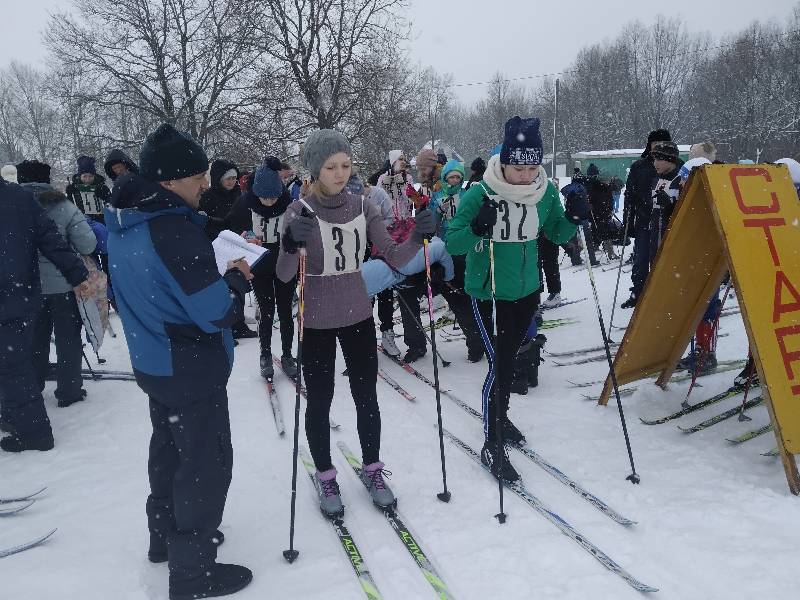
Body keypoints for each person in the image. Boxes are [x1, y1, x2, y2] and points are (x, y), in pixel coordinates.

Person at [105, 123, 253, 600]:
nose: (204, 185)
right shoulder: (170, 230)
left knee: (169, 449)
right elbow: (217, 314)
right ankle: (193, 574)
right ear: (168, 182)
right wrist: (237, 281)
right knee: (204, 464)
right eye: (197, 177)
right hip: (189, 364)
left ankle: (165, 537)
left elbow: (154, 285)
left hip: (155, 360)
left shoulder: (129, 219)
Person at [276, 129, 436, 517]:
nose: (340, 173)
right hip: (315, 319)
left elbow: (395, 256)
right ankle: (326, 474)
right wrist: (286, 245)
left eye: (345, 165)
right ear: (314, 170)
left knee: (367, 396)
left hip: (357, 314)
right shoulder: (299, 212)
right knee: (320, 399)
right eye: (330, 167)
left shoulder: (364, 206)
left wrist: (419, 235)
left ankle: (372, 468)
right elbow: (283, 276)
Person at [446, 116, 585, 481]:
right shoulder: (480, 192)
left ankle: (500, 418)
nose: (524, 175)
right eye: (517, 167)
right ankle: (492, 440)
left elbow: (555, 232)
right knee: (501, 366)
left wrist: (572, 219)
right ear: (503, 162)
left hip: (525, 292)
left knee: (509, 363)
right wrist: (477, 227)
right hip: (488, 293)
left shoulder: (546, 192)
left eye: (530, 167)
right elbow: (454, 240)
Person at [0, 170, 90, 453]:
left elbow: (51, 240)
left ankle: (34, 432)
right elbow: (51, 240)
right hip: (21, 294)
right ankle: (15, 416)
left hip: (12, 296)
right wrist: (77, 274)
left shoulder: (18, 198)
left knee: (14, 368)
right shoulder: (20, 198)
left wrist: (77, 275)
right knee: (15, 364)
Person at [21, 164, 98, 409]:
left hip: (26, 286)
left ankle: (32, 386)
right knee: (68, 338)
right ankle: (69, 390)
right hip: (64, 283)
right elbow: (87, 244)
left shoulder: (11, 207)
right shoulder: (63, 206)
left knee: (34, 339)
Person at [226, 160, 297, 380]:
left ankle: (287, 355)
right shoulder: (245, 204)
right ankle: (265, 354)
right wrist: (246, 237)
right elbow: (234, 233)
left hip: (284, 262)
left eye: (273, 197)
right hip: (260, 265)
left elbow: (299, 235)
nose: (269, 202)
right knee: (266, 312)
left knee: (286, 311)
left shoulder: (289, 204)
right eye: (264, 197)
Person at [428, 158, 485, 362]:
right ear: (444, 178)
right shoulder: (437, 197)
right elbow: (431, 224)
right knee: (457, 299)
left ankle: (479, 341)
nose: (454, 181)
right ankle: (474, 340)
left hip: (467, 249)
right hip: (446, 249)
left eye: (457, 178)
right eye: (451, 177)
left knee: (470, 298)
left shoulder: (466, 194)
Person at [620, 128, 672, 308]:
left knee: (661, 259)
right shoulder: (639, 166)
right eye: (655, 144)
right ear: (649, 145)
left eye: (662, 145)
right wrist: (628, 219)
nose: (658, 148)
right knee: (641, 259)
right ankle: (638, 292)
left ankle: (661, 293)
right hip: (644, 219)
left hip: (666, 222)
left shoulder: (675, 166)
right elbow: (630, 195)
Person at [374, 150, 415, 357]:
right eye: (399, 159)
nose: (403, 162)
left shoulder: (407, 178)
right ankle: (382, 333)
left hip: (404, 231)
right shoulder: (382, 180)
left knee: (402, 283)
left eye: (403, 159)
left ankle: (404, 336)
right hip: (385, 235)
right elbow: (382, 204)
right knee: (382, 288)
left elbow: (408, 200)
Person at [200, 159, 241, 241]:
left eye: (234, 178)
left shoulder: (237, 193)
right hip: (215, 240)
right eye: (228, 178)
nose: (232, 182)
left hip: (236, 239)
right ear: (219, 179)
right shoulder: (207, 196)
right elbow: (203, 221)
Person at [65, 156, 112, 224]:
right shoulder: (74, 189)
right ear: (80, 176)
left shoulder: (102, 187)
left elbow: (111, 206)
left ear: (94, 176)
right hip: (82, 225)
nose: (87, 180)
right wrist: (69, 195)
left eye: (90, 176)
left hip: (102, 223)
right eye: (84, 176)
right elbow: (68, 210)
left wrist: (104, 196)